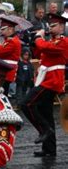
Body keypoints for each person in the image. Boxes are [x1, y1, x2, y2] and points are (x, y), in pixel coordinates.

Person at [21, 13, 68, 157]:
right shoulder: (52, 40)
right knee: (46, 113)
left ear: (61, 27)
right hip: (46, 78)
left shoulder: (64, 41)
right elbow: (38, 50)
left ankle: (44, 130)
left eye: (54, 26)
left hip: (52, 80)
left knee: (26, 104)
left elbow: (45, 47)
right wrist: (32, 39)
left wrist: (38, 37)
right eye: (50, 26)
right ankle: (49, 149)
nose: (50, 28)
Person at [0, 17, 22, 96]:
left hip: (7, 71)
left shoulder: (13, 41)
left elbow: (0, 52)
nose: (1, 31)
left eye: (3, 29)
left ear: (10, 29)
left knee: (3, 93)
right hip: (5, 70)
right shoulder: (9, 40)